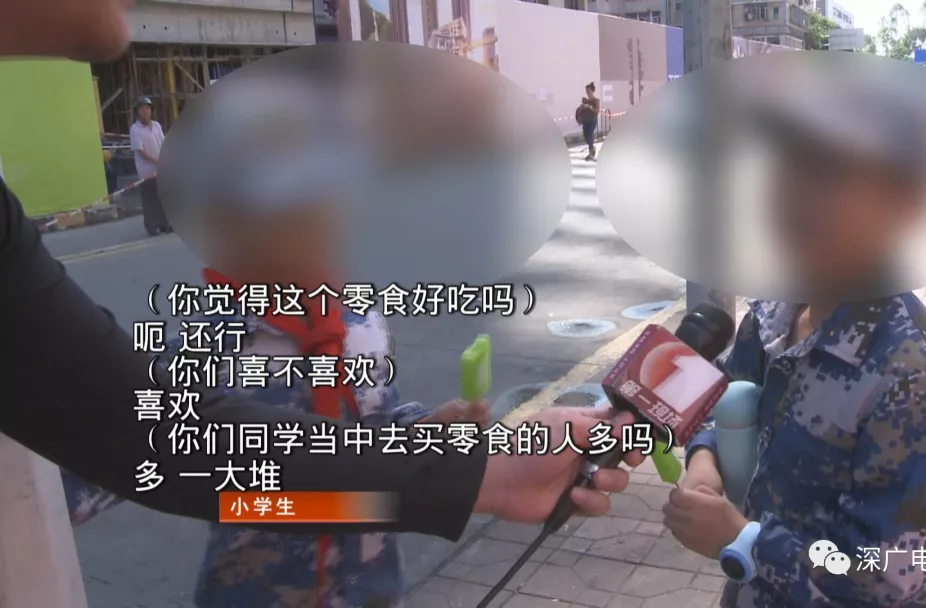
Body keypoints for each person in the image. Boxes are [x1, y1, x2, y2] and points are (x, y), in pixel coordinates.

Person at [0, 0, 643, 541]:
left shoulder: (359, 319)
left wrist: (433, 440)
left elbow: (371, 427)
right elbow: (126, 452)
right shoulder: (209, 339)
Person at [63, 141, 492, 605]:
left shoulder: (361, 322)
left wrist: (425, 428)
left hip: (370, 592)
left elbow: (377, 426)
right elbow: (105, 460)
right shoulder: (203, 349)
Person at [661, 94, 926, 606]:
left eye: (831, 178)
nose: (796, 198)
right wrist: (704, 459)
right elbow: (720, 401)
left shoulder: (913, 376)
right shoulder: (771, 316)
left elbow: (892, 578)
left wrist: (742, 541)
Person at [130, 96, 172, 236]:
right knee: (150, 199)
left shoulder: (156, 125)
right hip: (146, 170)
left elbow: (163, 142)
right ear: (137, 112)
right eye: (142, 109)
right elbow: (140, 151)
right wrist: (156, 161)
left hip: (161, 168)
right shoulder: (135, 129)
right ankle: (151, 225)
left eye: (147, 108)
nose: (145, 111)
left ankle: (165, 223)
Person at [576, 82, 601, 161]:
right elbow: (581, 110)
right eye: (587, 91)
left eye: (589, 91)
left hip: (592, 121)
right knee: (586, 136)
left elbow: (597, 111)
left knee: (589, 136)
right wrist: (581, 107)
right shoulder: (584, 100)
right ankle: (592, 147)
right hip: (585, 121)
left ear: (593, 91)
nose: (588, 92)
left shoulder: (596, 100)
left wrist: (590, 107)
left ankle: (591, 153)